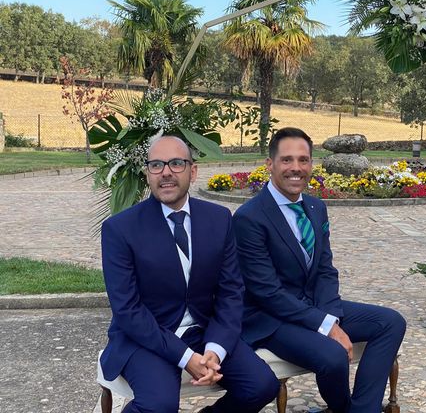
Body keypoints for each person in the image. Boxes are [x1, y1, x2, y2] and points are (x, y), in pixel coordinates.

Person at [232, 127, 406, 413]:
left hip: (312, 305)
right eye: (287, 160)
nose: (296, 168)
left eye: (304, 160)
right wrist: (326, 326)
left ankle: (362, 409)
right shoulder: (249, 218)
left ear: (312, 164)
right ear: (270, 164)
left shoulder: (315, 207)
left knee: (391, 322)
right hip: (270, 319)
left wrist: (330, 317)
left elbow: (324, 268)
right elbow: (267, 292)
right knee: (333, 356)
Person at [100, 136, 279, 413]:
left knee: (262, 385)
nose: (166, 172)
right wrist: (186, 358)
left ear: (192, 171)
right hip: (147, 337)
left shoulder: (219, 219)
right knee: (159, 405)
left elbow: (231, 291)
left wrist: (215, 350)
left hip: (204, 330)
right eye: (157, 165)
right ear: (148, 173)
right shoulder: (120, 229)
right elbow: (128, 310)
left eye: (176, 163)